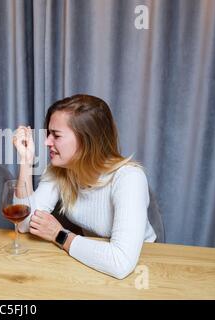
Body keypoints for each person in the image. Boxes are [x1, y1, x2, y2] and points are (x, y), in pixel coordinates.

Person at [13, 94, 156, 279]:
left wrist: (59, 235)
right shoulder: (61, 169)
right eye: (49, 134)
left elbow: (121, 262)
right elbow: (24, 224)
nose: (47, 142)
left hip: (143, 267)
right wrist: (25, 161)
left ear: (86, 140)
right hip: (94, 260)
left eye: (56, 135)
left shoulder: (129, 178)